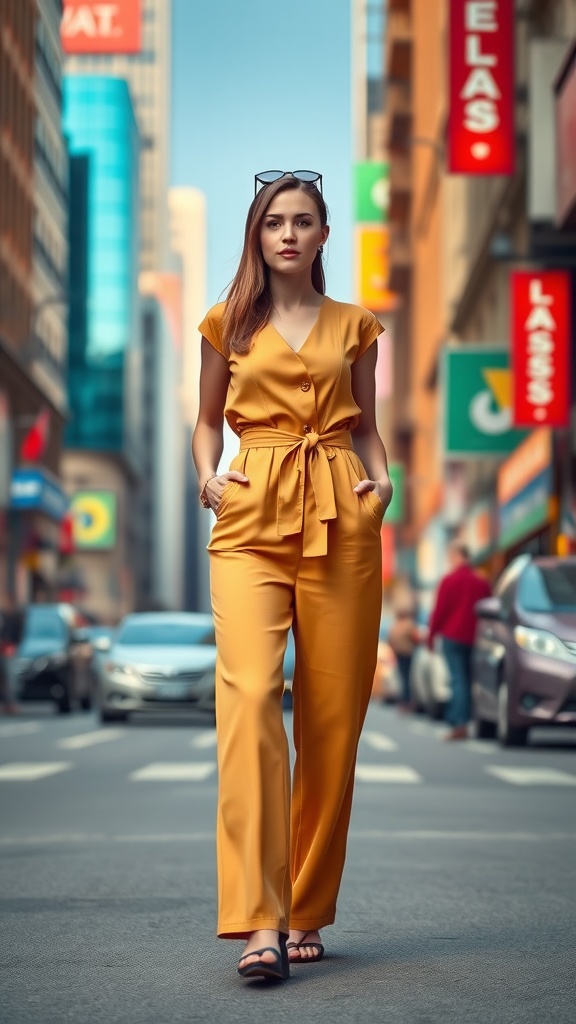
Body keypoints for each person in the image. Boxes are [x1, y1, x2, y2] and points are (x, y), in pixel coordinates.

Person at [192, 169, 393, 982]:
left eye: (303, 221)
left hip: (343, 514)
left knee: (332, 719)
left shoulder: (357, 326)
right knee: (246, 700)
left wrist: (382, 488)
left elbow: (370, 430)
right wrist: (205, 479)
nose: (287, 233)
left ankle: (307, 905)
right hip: (250, 516)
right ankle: (259, 921)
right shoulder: (225, 323)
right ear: (256, 232)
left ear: (322, 235)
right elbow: (207, 424)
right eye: (274, 221)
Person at [427, 542, 491, 740]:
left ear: (456, 556)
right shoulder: (482, 582)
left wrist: (431, 636)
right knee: (469, 679)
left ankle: (460, 723)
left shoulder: (449, 580)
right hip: (474, 637)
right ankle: (467, 720)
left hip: (452, 636)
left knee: (457, 679)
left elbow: (440, 611)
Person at [388, 604, 419, 711]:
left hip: (398, 653)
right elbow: (416, 637)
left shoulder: (395, 626)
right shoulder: (409, 625)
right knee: (407, 678)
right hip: (407, 653)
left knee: (403, 677)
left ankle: (404, 701)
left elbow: (390, 640)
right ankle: (407, 701)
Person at [0, 594, 24, 715]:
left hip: (9, 650)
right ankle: (6, 704)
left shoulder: (17, 616)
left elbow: (18, 634)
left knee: (10, 678)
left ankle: (12, 703)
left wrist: (12, 645)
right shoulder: (3, 615)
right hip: (2, 649)